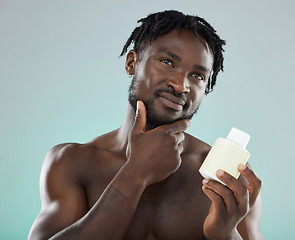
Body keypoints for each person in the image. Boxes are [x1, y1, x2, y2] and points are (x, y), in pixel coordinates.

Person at [28, 10, 264, 240]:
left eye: (197, 76)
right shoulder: (73, 162)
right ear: (132, 63)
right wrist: (135, 173)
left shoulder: (227, 178)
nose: (181, 85)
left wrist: (225, 235)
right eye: (167, 61)